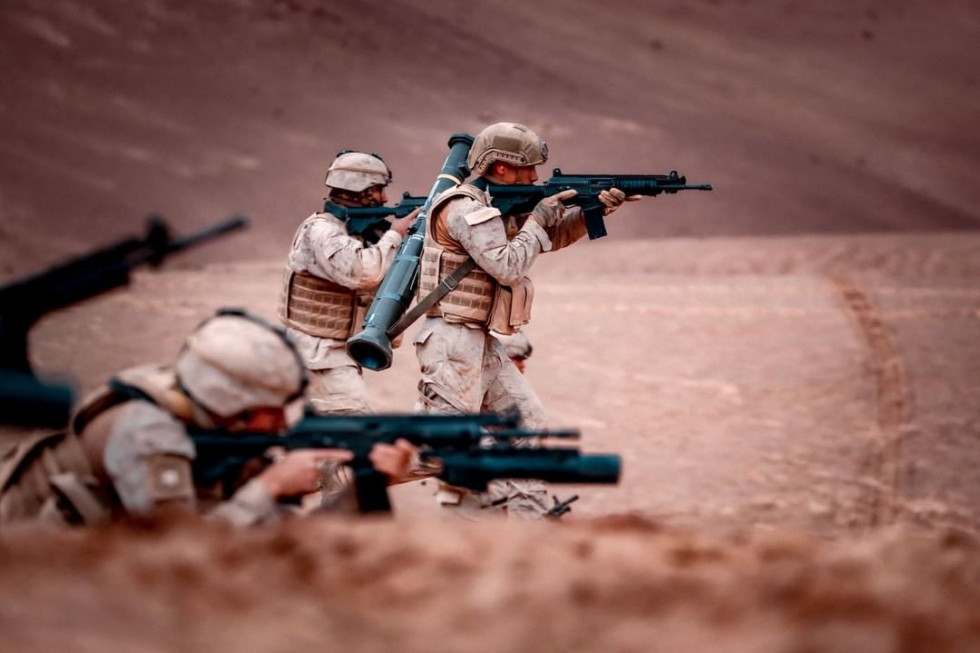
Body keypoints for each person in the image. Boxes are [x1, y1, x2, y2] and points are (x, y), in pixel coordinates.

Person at [0, 309, 414, 528]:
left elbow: (276, 546)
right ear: (229, 401)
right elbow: (181, 556)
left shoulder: (215, 428)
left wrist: (368, 484)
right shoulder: (146, 432)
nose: (278, 424)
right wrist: (271, 485)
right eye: (268, 410)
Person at [413, 122, 638, 518]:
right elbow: (509, 266)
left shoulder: (493, 209)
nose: (536, 177)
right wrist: (537, 219)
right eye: (528, 168)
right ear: (501, 168)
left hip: (480, 340)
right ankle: (366, 474)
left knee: (527, 425)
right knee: (450, 450)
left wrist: (592, 211)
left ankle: (531, 525)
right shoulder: (464, 207)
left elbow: (548, 241)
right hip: (450, 340)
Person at [278, 151, 418, 415]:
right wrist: (395, 234)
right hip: (318, 356)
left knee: (337, 440)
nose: (384, 198)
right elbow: (362, 272)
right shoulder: (322, 231)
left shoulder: (357, 230)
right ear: (359, 189)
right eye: (377, 190)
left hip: (335, 354)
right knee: (357, 434)